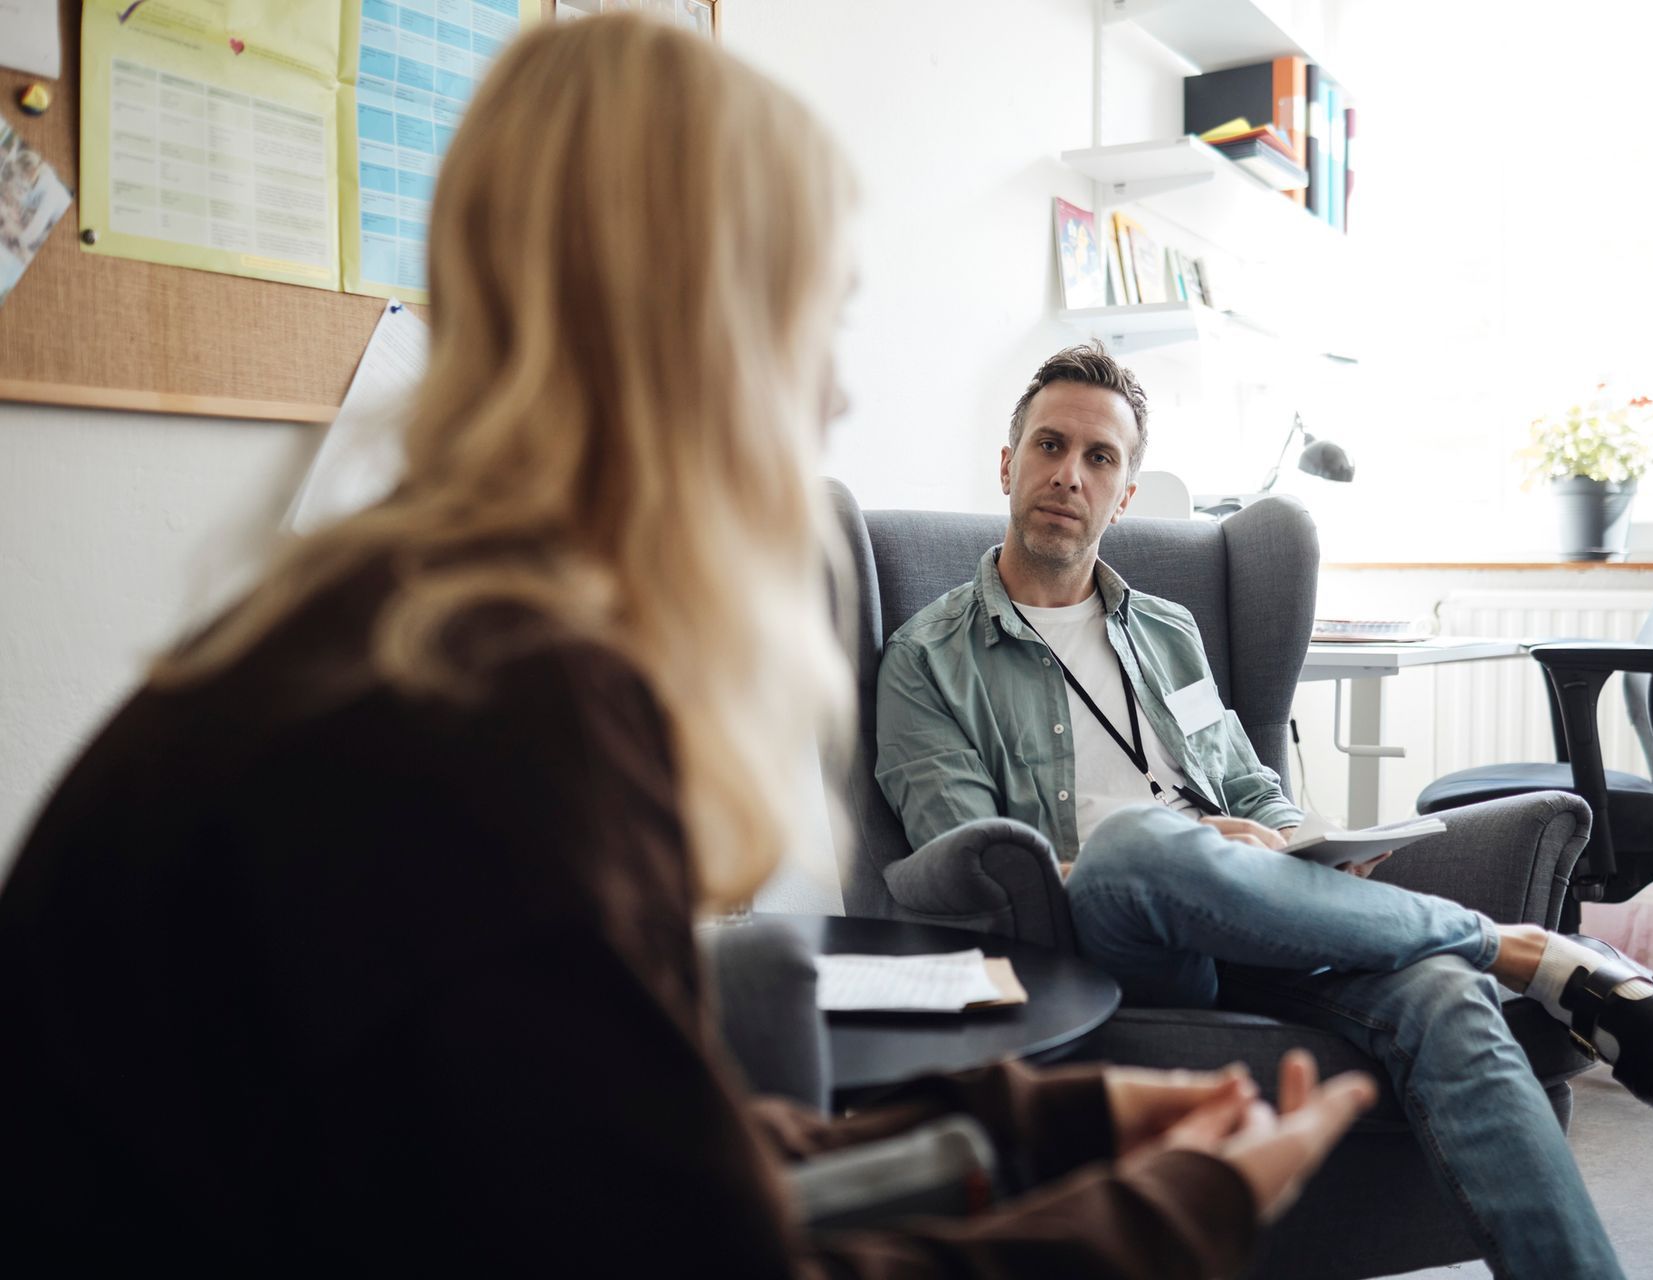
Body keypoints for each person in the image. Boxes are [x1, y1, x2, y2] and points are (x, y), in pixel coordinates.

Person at [0, 18, 1378, 1278]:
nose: (833, 391)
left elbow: (655, 1179)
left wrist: (1052, 1127)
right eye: (814, 324)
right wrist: (1172, 1214)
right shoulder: (482, 730)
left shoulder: (405, 639)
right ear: (697, 339)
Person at [874, 342, 1653, 1280]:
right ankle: (1526, 950)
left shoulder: (1166, 631)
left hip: (1263, 917)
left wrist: (1297, 841)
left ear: (1124, 493)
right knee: (1133, 845)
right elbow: (980, 870)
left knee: (1441, 996)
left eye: (1100, 458)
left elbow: (1252, 787)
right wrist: (1193, 845)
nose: (1067, 476)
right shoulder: (927, 660)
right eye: (1048, 446)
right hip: (1122, 939)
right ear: (1008, 465)